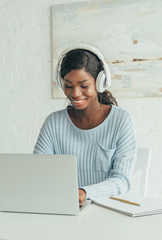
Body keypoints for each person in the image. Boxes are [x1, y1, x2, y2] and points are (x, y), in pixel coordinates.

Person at [33, 45, 136, 202]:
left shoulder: (121, 120)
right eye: (68, 85)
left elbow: (122, 181)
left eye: (84, 85)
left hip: (105, 212)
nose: (75, 93)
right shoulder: (54, 123)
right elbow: (37, 172)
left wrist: (84, 193)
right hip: (63, 207)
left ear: (100, 82)